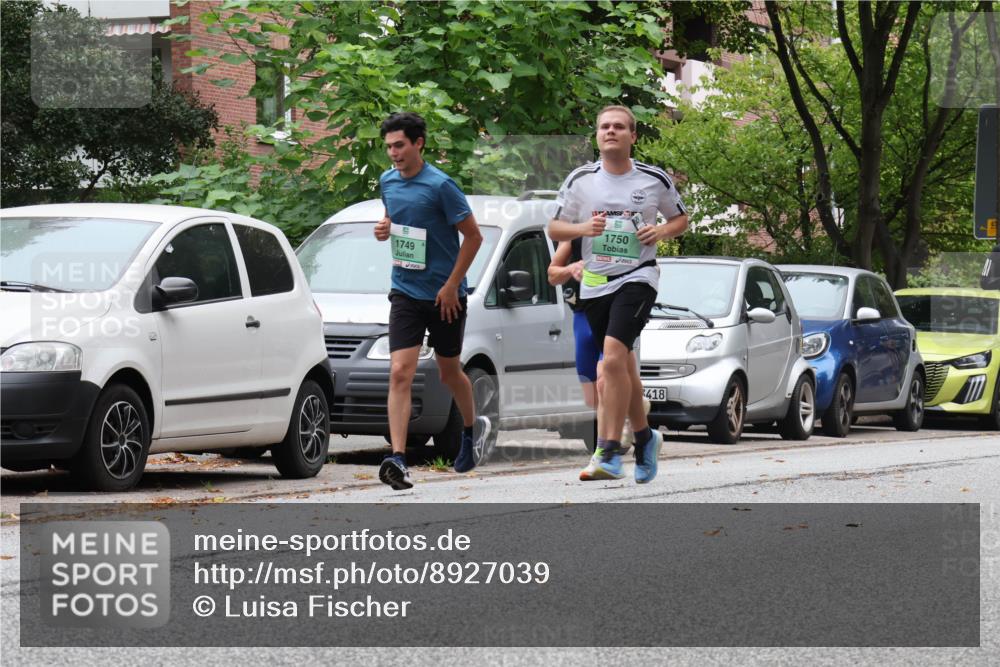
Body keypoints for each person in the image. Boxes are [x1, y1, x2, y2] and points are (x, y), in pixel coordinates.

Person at [548, 105, 688, 483]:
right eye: (604, 127)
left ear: (633, 136)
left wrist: (660, 233)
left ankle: (608, 450)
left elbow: (680, 219)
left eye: (619, 127)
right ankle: (645, 437)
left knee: (610, 359)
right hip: (596, 281)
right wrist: (582, 229)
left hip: (638, 276)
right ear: (597, 135)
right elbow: (555, 229)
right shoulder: (581, 180)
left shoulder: (652, 179)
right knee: (623, 362)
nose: (611, 131)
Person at [374, 111, 490, 490]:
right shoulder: (387, 182)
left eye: (400, 145)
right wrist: (384, 228)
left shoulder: (441, 186)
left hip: (445, 297)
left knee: (448, 372)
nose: (393, 153)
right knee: (399, 372)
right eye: (389, 146)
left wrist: (452, 285)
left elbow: (473, 237)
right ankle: (398, 457)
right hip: (405, 289)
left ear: (418, 143)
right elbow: (397, 221)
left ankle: (471, 433)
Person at [547, 239, 649, 480]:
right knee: (592, 397)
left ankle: (604, 452)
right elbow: (552, 274)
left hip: (614, 315)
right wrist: (571, 269)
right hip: (583, 313)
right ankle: (635, 409)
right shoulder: (576, 234)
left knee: (606, 380)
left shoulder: (620, 230)